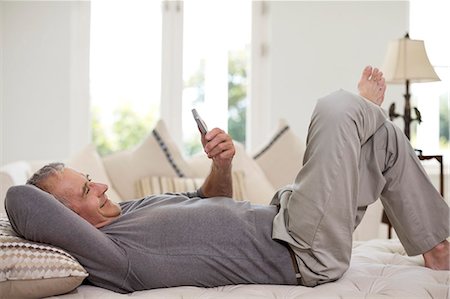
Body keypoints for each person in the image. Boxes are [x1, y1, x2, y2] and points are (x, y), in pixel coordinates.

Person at [5, 66, 449, 293]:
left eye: (89, 179)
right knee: (337, 107)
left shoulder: (131, 212)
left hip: (288, 214)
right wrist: (361, 108)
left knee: (384, 138)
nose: (99, 185)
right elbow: (19, 199)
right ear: (69, 222)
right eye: (85, 190)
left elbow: (208, 199)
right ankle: (362, 109)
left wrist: (221, 164)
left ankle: (438, 250)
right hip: (301, 249)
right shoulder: (110, 254)